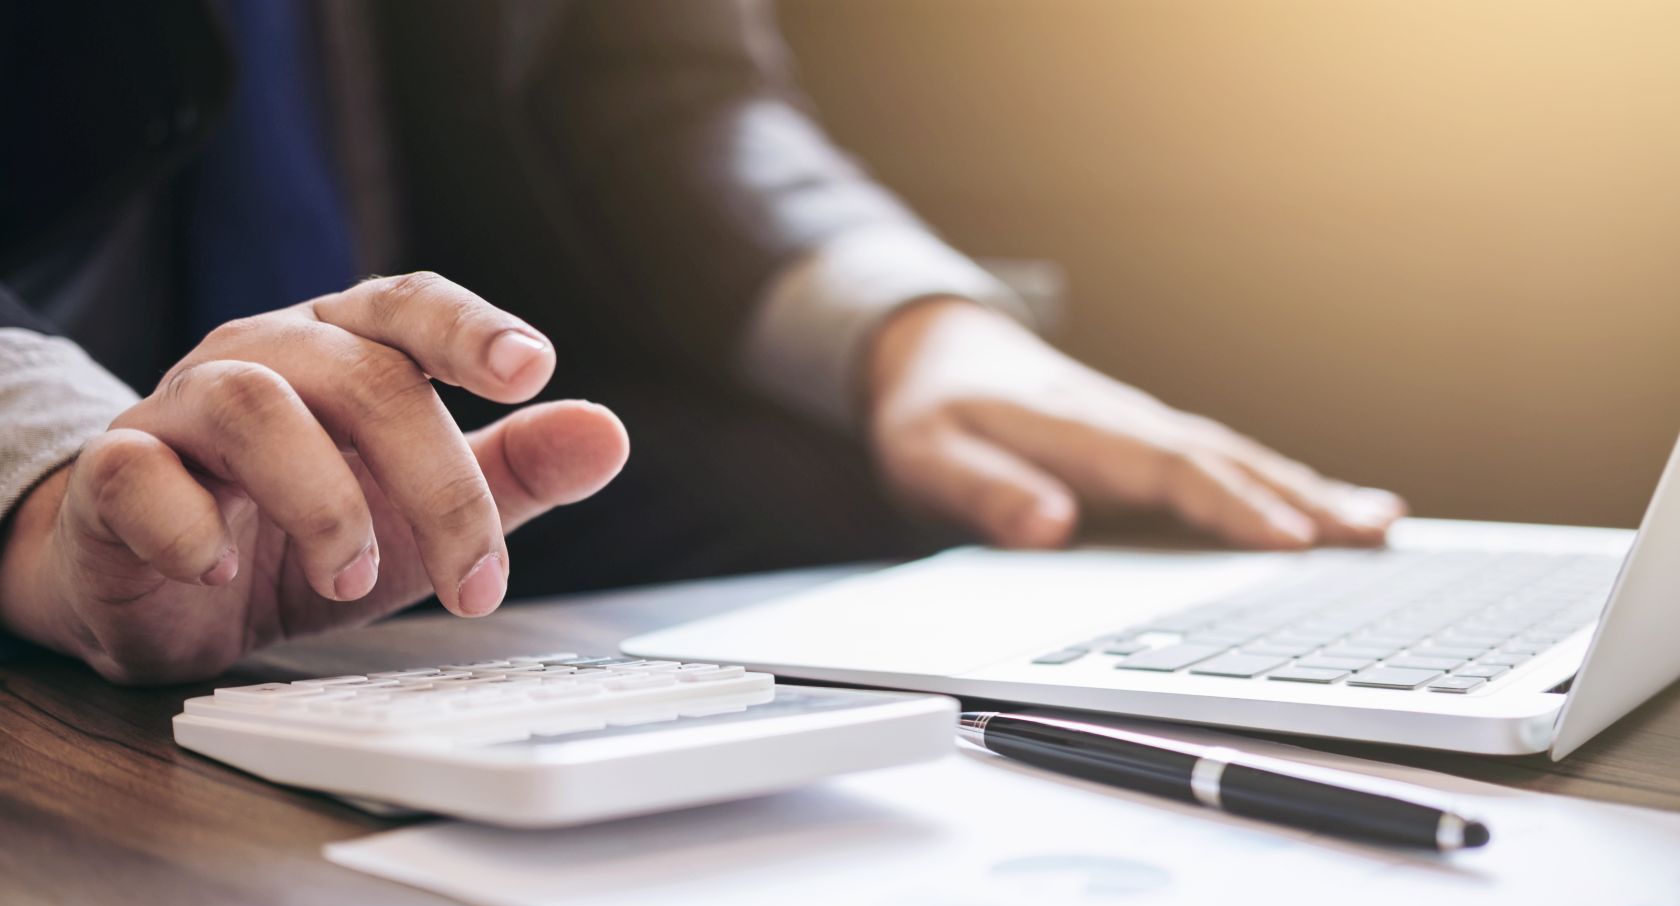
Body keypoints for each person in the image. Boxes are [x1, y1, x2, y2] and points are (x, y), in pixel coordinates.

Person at [0, 0, 1405, 684]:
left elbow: (655, 74)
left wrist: (915, 331)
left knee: (880, 515)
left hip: (454, 450)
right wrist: (50, 473)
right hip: (67, 450)